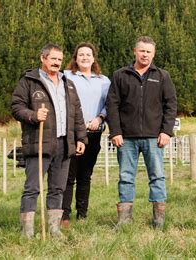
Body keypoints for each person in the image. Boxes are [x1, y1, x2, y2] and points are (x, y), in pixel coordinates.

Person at [11, 43, 88, 238]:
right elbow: (16, 107)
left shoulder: (67, 83)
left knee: (58, 188)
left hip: (64, 144)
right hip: (39, 143)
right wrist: (33, 114)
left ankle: (54, 229)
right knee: (32, 188)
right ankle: (26, 232)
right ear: (43, 58)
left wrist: (81, 138)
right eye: (53, 59)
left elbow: (77, 114)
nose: (56, 63)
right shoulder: (29, 81)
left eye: (60, 60)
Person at [106, 36, 177, 228]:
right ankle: (125, 219)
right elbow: (112, 105)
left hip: (154, 138)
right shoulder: (120, 75)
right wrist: (115, 132)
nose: (145, 55)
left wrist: (167, 132)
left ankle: (158, 219)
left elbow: (171, 105)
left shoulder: (162, 76)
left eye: (149, 52)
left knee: (157, 176)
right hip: (126, 138)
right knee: (126, 177)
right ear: (134, 52)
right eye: (142, 51)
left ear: (153, 54)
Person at [60, 42, 111, 228]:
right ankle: (64, 216)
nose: (85, 58)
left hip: (94, 132)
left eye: (88, 54)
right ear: (75, 58)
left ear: (93, 58)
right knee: (68, 175)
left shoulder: (104, 81)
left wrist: (100, 117)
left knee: (85, 175)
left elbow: (109, 103)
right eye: (81, 54)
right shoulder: (66, 77)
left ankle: (82, 215)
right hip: (72, 133)